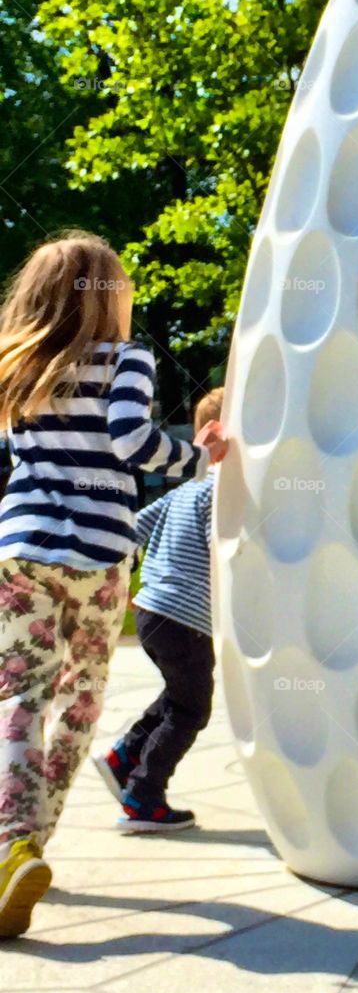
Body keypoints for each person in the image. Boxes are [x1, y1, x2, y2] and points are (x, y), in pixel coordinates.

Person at [0, 232, 227, 938]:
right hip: (96, 556)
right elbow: (134, 444)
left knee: (20, 696)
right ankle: (31, 844)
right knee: (79, 702)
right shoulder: (127, 360)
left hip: (20, 550)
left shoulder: (17, 367)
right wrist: (198, 455)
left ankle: (9, 843)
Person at [95, 388, 223, 834]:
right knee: (192, 710)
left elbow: (134, 529)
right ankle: (143, 798)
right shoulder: (221, 493)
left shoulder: (187, 489)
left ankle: (125, 755)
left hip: (151, 609)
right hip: (184, 619)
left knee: (178, 696)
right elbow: (221, 551)